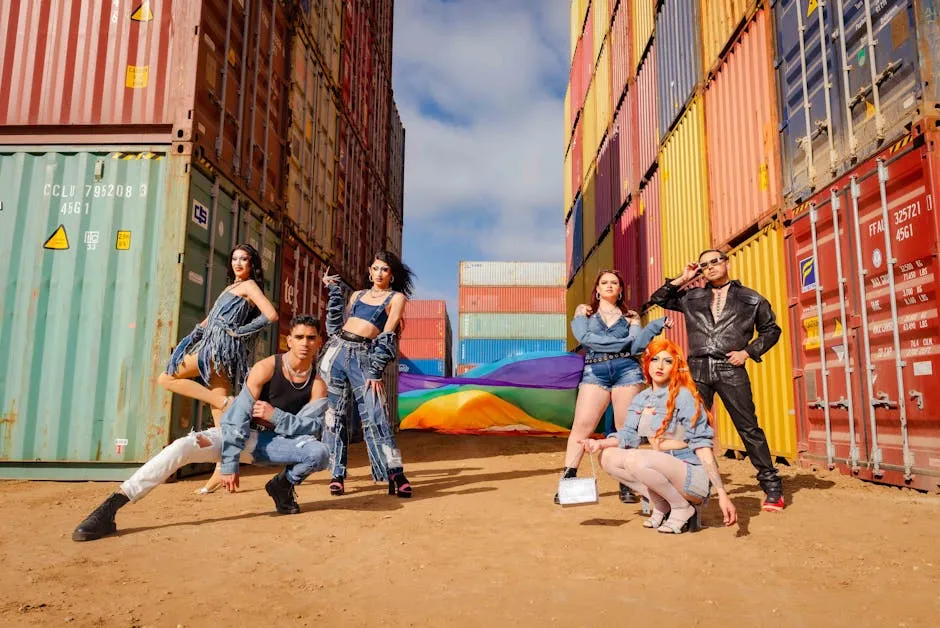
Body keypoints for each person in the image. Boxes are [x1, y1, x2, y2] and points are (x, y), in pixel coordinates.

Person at [72, 315, 329, 542]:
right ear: (289, 340)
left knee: (318, 453)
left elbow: (311, 426)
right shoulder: (266, 368)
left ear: (318, 342)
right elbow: (237, 417)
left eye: (311, 337)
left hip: (274, 445)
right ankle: (111, 507)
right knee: (183, 446)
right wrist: (228, 463)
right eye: (299, 337)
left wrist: (277, 416)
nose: (305, 343)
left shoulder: (317, 383)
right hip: (237, 437)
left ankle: (282, 486)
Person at [648, 249, 784, 511]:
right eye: (703, 265)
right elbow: (659, 298)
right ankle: (691, 482)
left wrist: (748, 352)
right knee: (690, 427)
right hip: (698, 367)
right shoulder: (692, 296)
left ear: (727, 263)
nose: (709, 267)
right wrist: (684, 278)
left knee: (748, 427)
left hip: (729, 368)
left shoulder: (750, 298)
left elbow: (771, 330)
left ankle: (771, 486)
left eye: (714, 262)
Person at [582, 337, 737, 533]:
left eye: (667, 361)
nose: (660, 366)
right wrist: (600, 444)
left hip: (690, 476)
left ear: (676, 366)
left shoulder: (684, 396)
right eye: (655, 360)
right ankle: (662, 503)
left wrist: (721, 492)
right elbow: (628, 435)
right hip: (662, 469)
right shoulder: (641, 399)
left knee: (634, 458)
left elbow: (702, 445)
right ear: (647, 364)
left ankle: (682, 507)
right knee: (608, 457)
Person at [157, 243, 278, 494]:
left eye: (244, 259)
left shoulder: (249, 286)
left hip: (216, 349)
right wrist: (191, 337)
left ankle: (224, 402)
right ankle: (221, 472)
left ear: (252, 264)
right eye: (234, 259)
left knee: (166, 378)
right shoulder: (231, 287)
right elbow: (212, 319)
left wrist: (238, 333)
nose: (238, 263)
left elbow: (271, 314)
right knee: (221, 424)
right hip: (214, 347)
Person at [556, 269, 667, 505]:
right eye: (604, 282)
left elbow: (637, 347)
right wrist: (623, 342)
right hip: (595, 371)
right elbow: (584, 339)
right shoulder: (583, 314)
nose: (608, 285)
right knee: (582, 426)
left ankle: (626, 483)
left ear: (620, 289)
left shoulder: (631, 317)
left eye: (614, 282)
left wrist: (625, 339)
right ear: (596, 289)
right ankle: (568, 480)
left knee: (624, 429)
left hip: (627, 371)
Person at [319, 251, 414, 498]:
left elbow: (387, 334)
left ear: (391, 275)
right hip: (337, 352)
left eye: (385, 269)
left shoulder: (396, 298)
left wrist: (375, 369)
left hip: (363, 357)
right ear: (369, 271)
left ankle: (395, 472)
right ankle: (337, 473)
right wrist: (334, 291)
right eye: (375, 268)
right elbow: (337, 325)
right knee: (334, 416)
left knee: (376, 416)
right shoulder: (357, 295)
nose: (379, 273)